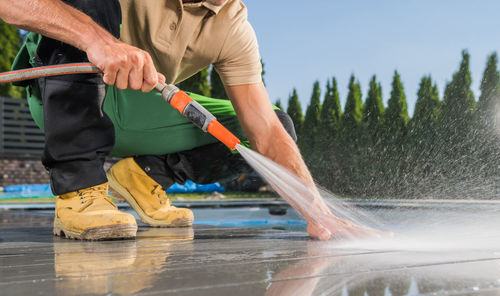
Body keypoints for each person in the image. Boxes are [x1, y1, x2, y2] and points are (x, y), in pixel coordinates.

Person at [1, 0, 375, 240]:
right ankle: (78, 191)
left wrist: (318, 214)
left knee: (272, 125)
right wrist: (97, 39)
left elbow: (264, 129)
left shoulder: (233, 24)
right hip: (59, 94)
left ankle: (146, 175)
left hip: (141, 109)